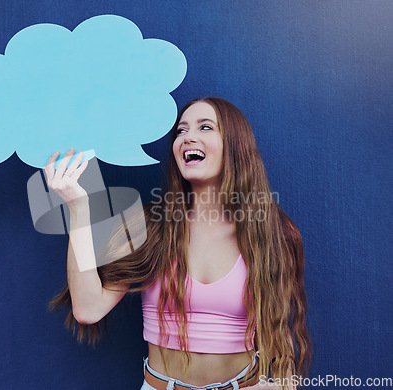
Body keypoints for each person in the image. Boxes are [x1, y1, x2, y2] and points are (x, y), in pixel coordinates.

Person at [45, 97, 311, 389]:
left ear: (235, 145)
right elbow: (88, 309)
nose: (188, 137)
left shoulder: (274, 233)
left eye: (205, 127)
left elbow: (279, 335)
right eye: (181, 131)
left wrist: (282, 385)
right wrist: (78, 208)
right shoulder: (146, 224)